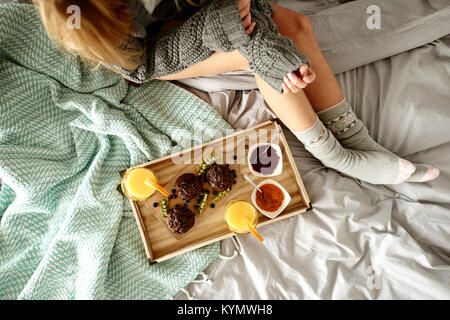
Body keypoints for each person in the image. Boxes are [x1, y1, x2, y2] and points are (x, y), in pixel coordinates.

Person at [34, 0, 439, 184]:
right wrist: (238, 33)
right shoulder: (90, 18)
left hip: (190, 9)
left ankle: (355, 137)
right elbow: (143, 61)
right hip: (151, 53)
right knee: (252, 46)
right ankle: (336, 156)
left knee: (296, 25)